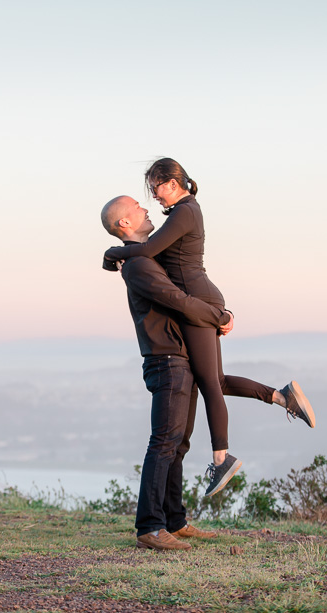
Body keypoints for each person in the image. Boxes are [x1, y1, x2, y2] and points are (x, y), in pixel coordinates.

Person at [103, 158, 315, 498]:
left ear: (172, 183)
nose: (151, 199)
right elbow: (149, 253)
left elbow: (148, 250)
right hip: (201, 301)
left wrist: (111, 252)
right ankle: (281, 396)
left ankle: (222, 458)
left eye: (154, 189)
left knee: (209, 384)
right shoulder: (179, 214)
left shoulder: (186, 211)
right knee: (215, 380)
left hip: (197, 303)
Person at [101, 194, 230, 551]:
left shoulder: (144, 258)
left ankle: (175, 521)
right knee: (163, 443)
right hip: (167, 360)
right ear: (125, 224)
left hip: (179, 359)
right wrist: (220, 317)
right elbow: (178, 301)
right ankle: (150, 526)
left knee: (178, 444)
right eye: (138, 209)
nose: (146, 209)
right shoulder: (140, 267)